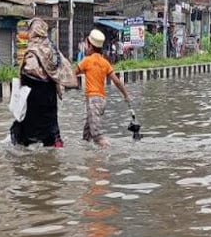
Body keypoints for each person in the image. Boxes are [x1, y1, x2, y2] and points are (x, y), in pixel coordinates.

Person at [10, 18, 72, 148]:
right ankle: (55, 142)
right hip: (49, 96)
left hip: (33, 97)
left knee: (28, 127)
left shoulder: (32, 50)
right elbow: (64, 69)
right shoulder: (52, 49)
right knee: (50, 124)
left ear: (33, 31)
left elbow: (28, 71)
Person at [76, 29, 131, 148]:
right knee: (87, 134)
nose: (85, 48)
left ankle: (108, 152)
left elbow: (73, 73)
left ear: (90, 47)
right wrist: (126, 95)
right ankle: (87, 153)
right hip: (101, 101)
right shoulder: (105, 63)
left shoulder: (87, 61)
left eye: (86, 45)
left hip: (93, 101)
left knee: (97, 135)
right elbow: (117, 81)